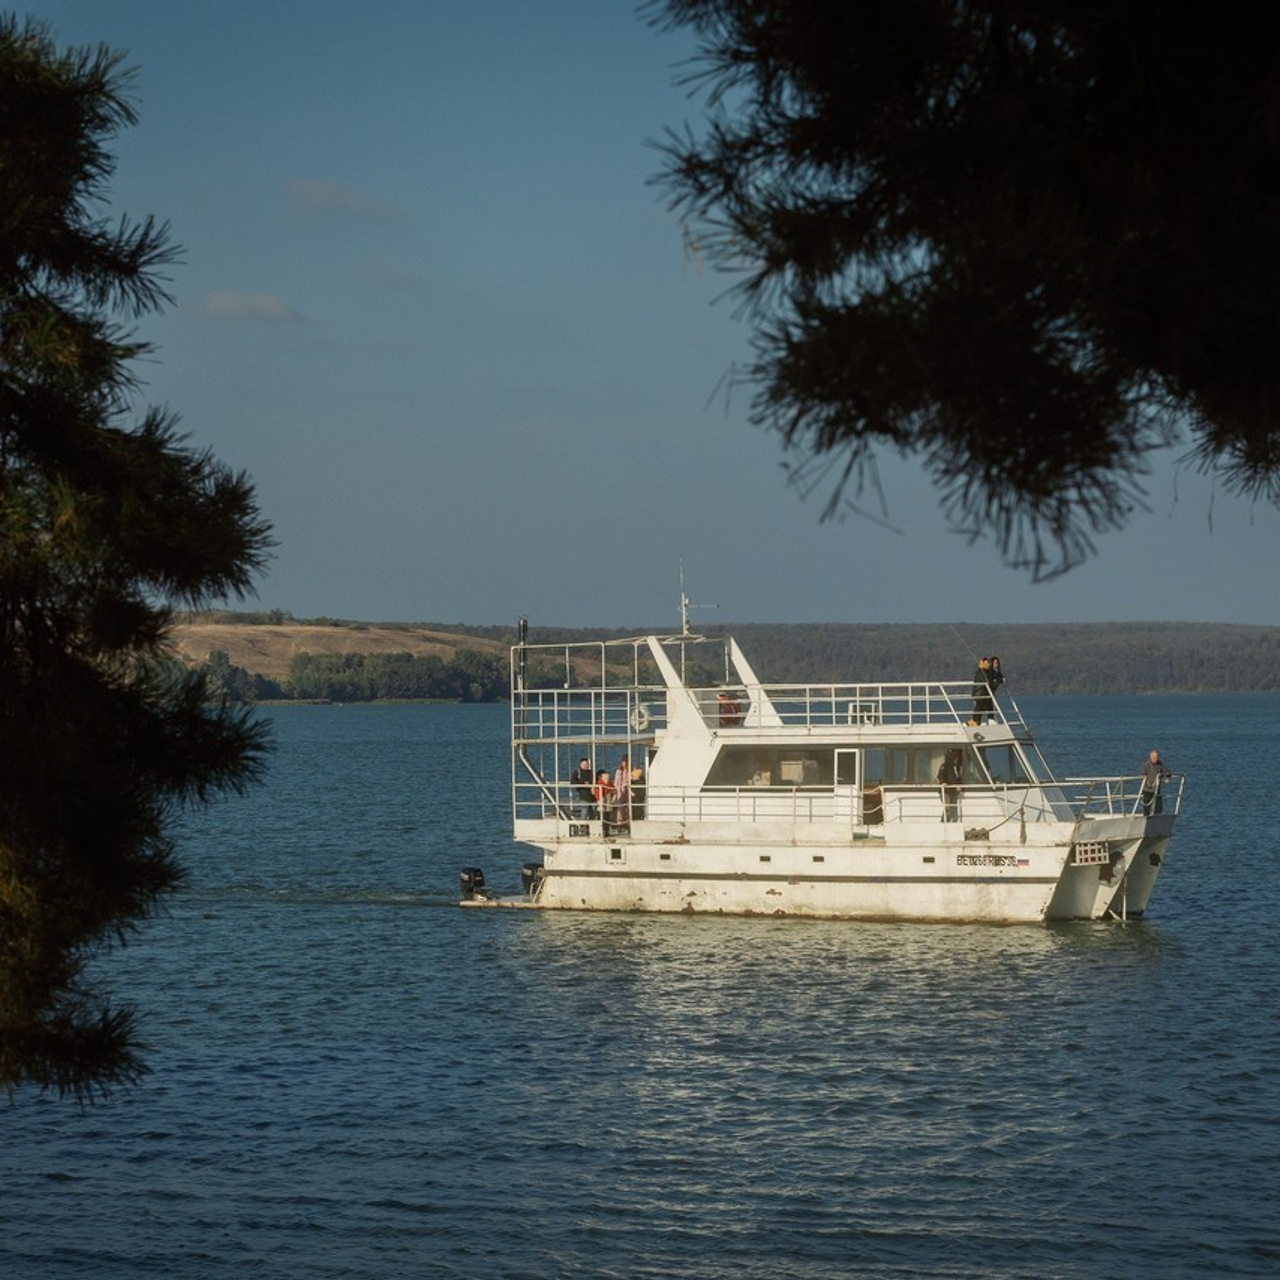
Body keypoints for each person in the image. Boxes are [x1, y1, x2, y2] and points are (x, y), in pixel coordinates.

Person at [1139, 749, 1171, 816]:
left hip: (1156, 790)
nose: (1155, 759)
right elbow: (1142, 776)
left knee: (1158, 808)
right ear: (1150, 757)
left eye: (1157, 757)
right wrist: (1148, 784)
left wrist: (1166, 777)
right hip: (1147, 790)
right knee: (1147, 807)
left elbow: (1166, 771)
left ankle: (1156, 818)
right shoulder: (1146, 766)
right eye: (1154, 757)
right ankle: (1147, 818)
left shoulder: (1160, 764)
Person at [937, 748, 963, 822]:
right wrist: (943, 782)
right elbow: (940, 775)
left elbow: (957, 778)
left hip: (953, 791)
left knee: (952, 807)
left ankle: (949, 822)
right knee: (947, 808)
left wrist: (959, 785)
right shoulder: (945, 766)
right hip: (946, 791)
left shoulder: (956, 768)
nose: (957, 759)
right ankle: (943, 823)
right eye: (955, 757)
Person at [969, 657, 994, 725]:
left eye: (988, 663)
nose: (988, 664)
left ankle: (989, 719)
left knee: (987, 706)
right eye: (986, 663)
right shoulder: (981, 671)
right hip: (979, 693)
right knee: (979, 706)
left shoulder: (987, 671)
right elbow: (986, 680)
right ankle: (974, 721)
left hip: (984, 693)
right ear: (982, 663)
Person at [612, 756, 631, 827]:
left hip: (627, 790)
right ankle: (619, 823)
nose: (624, 763)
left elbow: (630, 780)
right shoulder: (618, 771)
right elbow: (616, 782)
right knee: (620, 808)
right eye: (623, 762)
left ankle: (626, 823)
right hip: (619, 791)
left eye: (625, 762)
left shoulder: (629, 771)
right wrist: (616, 791)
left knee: (627, 807)